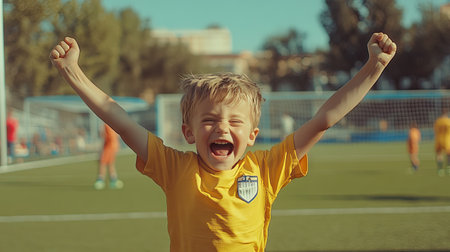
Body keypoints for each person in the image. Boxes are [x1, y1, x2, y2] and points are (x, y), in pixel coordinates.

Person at [50, 32, 396, 251]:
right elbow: (121, 122)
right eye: (210, 120)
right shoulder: (174, 167)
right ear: (188, 132)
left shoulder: (266, 169)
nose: (222, 129)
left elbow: (324, 119)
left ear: (251, 136)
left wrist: (373, 68)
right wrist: (73, 72)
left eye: (234, 122)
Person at [94, 124, 124, 190]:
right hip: (113, 146)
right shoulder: (111, 123)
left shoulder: (107, 124)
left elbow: (106, 136)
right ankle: (113, 180)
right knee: (110, 163)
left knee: (103, 163)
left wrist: (102, 148)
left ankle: (100, 180)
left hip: (109, 146)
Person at [433, 109, 450, 176]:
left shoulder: (438, 121)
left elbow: (435, 130)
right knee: (448, 155)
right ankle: (448, 169)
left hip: (439, 139)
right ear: (446, 114)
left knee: (439, 154)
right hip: (447, 140)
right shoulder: (448, 121)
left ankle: (440, 170)